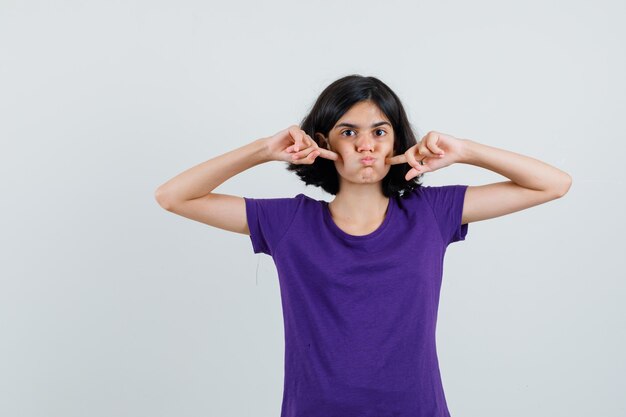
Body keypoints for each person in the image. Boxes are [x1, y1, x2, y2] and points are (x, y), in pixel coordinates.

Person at [154, 74, 572, 417]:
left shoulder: (431, 213)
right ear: (324, 142)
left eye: (379, 131)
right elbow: (173, 196)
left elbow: (553, 184)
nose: (366, 145)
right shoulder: (289, 222)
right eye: (348, 131)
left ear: (396, 142)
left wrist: (463, 151)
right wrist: (263, 150)